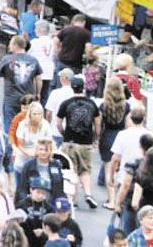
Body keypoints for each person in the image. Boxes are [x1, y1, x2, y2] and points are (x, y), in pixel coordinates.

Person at [55, 76, 100, 208]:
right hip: (86, 142)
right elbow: (97, 123)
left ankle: (73, 198)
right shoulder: (92, 104)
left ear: (72, 87)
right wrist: (95, 137)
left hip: (70, 141)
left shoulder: (66, 103)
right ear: (83, 87)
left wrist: (64, 133)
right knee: (85, 170)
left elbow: (58, 123)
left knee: (71, 170)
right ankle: (88, 194)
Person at [0, 36, 42, 124]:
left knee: (10, 123)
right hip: (28, 98)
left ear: (15, 45)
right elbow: (39, 79)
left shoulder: (6, 59)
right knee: (27, 122)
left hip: (11, 98)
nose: (9, 46)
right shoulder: (33, 60)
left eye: (11, 44)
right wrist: (38, 93)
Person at [101, 77, 131, 205]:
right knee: (119, 168)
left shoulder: (103, 105)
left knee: (109, 168)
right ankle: (119, 198)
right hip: (121, 136)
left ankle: (112, 199)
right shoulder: (126, 106)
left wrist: (98, 137)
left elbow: (100, 124)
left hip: (107, 135)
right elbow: (128, 124)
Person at [17, 137, 66, 205]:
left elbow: (60, 188)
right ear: (36, 150)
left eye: (46, 150)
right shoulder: (28, 165)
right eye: (41, 149)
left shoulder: (56, 165)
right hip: (32, 201)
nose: (43, 152)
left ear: (51, 151)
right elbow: (22, 188)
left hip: (52, 201)